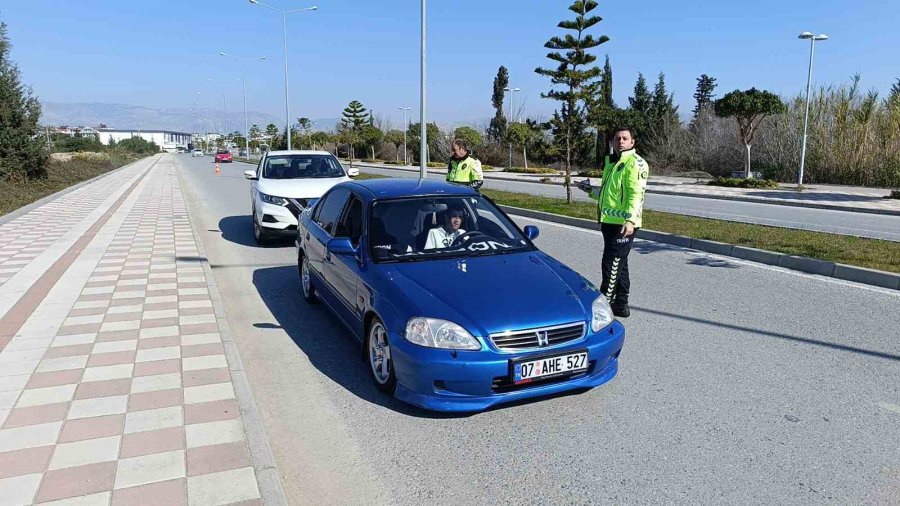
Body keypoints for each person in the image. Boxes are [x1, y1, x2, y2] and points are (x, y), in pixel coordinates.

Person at [577, 127, 649, 318]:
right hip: (609, 222)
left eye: (625, 138)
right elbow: (610, 194)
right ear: (612, 142)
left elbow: (636, 195)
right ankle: (621, 305)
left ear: (632, 142)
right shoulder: (612, 163)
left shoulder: (636, 164)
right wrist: (590, 191)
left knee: (610, 265)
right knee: (620, 264)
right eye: (617, 138)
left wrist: (631, 220)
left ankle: (604, 309)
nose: (621, 141)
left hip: (624, 225)